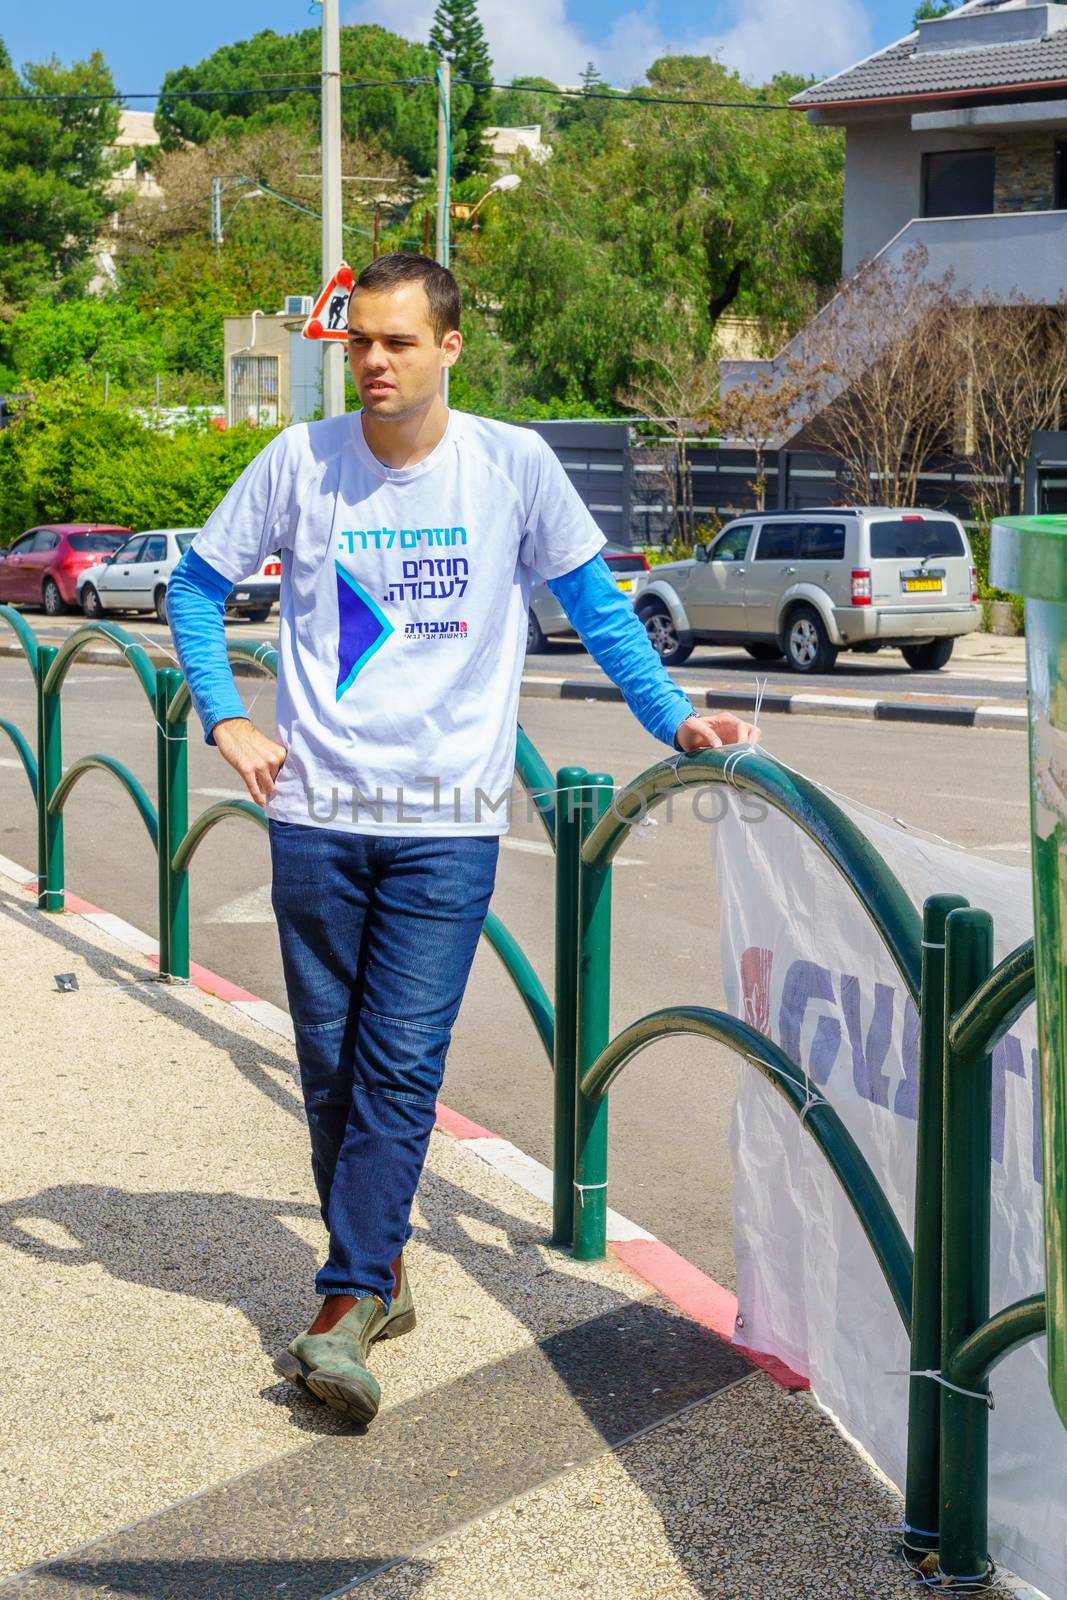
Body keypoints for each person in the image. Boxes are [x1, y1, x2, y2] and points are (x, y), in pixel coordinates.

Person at [167, 251, 760, 1425]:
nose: (373, 363)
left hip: (445, 825)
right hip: (316, 817)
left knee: (399, 1064)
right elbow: (193, 587)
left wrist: (672, 716)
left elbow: (593, 607)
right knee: (332, 1067)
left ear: (448, 348)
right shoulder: (299, 462)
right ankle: (381, 1268)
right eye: (357, 345)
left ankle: (342, 1306)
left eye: (396, 342)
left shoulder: (510, 465)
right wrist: (226, 717)